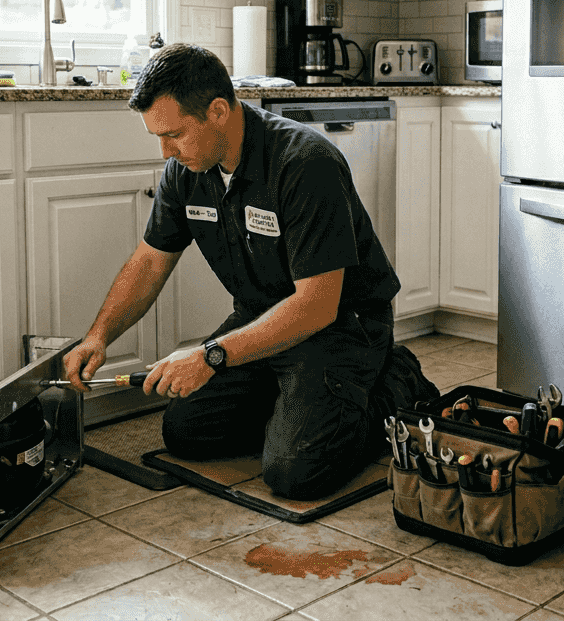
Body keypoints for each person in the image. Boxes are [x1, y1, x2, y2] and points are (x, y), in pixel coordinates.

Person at [63, 43, 438, 500]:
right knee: (186, 432)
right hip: (261, 317)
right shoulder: (185, 172)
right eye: (157, 138)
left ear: (218, 111)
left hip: (342, 325)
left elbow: (317, 305)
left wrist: (209, 356)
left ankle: (397, 379)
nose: (165, 152)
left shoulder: (304, 163)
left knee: (294, 472)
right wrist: (98, 336)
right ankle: (300, 400)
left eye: (174, 134)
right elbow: (148, 262)